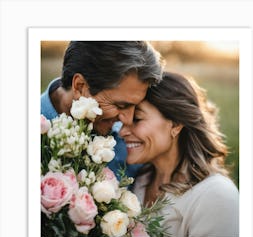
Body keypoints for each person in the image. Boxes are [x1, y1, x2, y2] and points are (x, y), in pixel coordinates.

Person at [119, 71, 239, 237]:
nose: (122, 131)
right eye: (122, 121)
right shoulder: (139, 180)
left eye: (137, 118)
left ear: (175, 124)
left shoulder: (215, 196)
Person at [41, 41, 164, 179]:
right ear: (80, 86)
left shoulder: (128, 142)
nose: (128, 121)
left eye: (136, 107)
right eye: (121, 106)